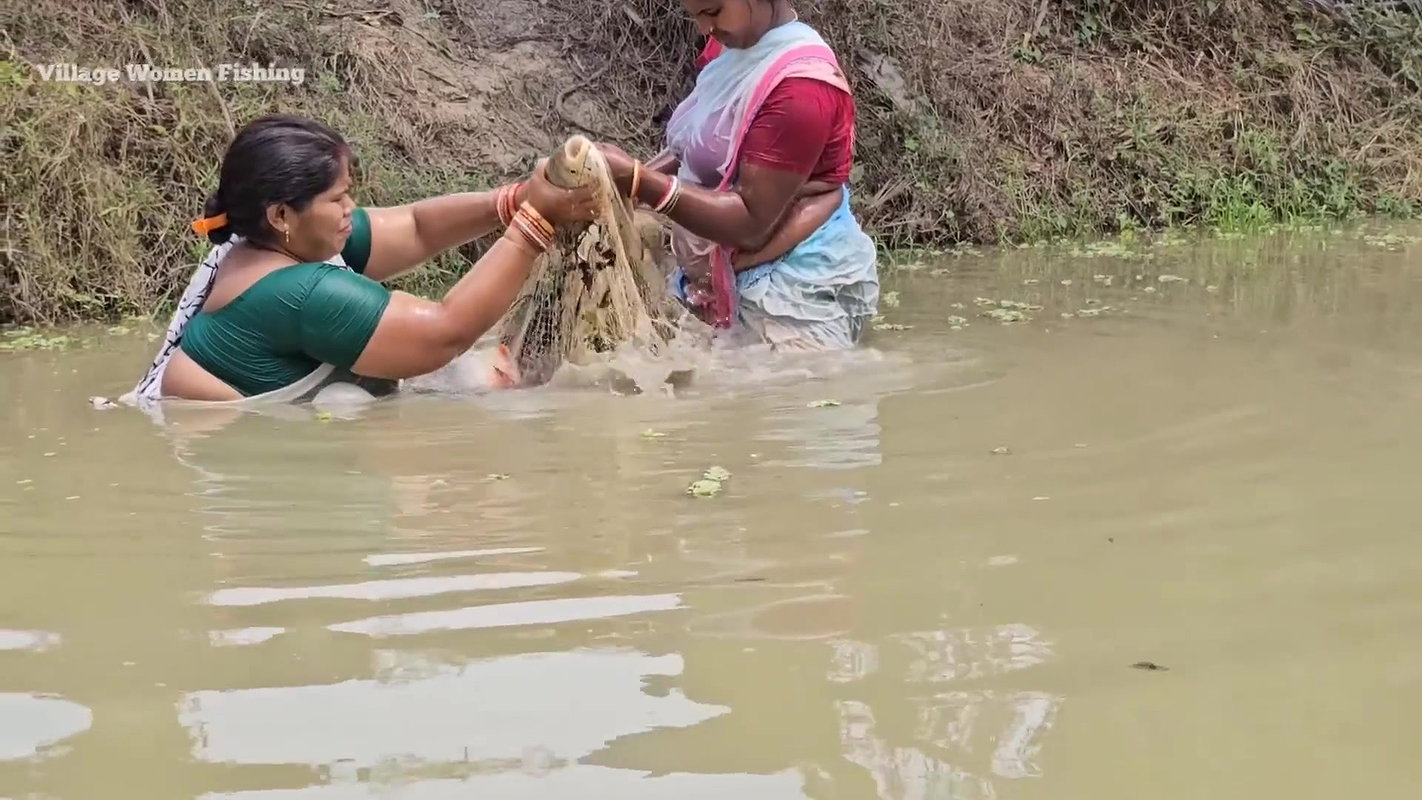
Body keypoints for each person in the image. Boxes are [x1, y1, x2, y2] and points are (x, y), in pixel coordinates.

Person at [122, 114, 597, 407]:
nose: (351, 209)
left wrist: (516, 199)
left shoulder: (269, 243)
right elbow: (444, 332)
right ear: (282, 214)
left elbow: (417, 227)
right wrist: (535, 222)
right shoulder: (300, 294)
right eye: (338, 199)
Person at [598, 0, 879, 351]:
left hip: (794, 297)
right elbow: (698, 145)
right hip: (722, 280)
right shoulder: (733, 49)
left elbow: (750, 222)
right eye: (695, 16)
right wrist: (616, 184)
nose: (704, 29)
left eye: (713, 12)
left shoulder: (802, 90)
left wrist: (641, 181)